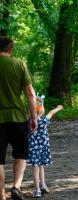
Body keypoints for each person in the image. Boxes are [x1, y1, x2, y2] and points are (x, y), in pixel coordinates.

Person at [0, 36, 37, 200]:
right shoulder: (19, 64)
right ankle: (16, 186)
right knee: (21, 153)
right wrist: (34, 117)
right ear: (11, 49)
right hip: (17, 118)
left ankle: (1, 194)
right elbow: (30, 93)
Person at [27, 96, 63, 198]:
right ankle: (43, 185)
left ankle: (38, 189)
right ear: (42, 111)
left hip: (33, 149)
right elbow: (51, 112)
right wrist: (59, 107)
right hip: (43, 148)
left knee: (36, 168)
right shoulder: (44, 121)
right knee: (41, 166)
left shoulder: (29, 122)